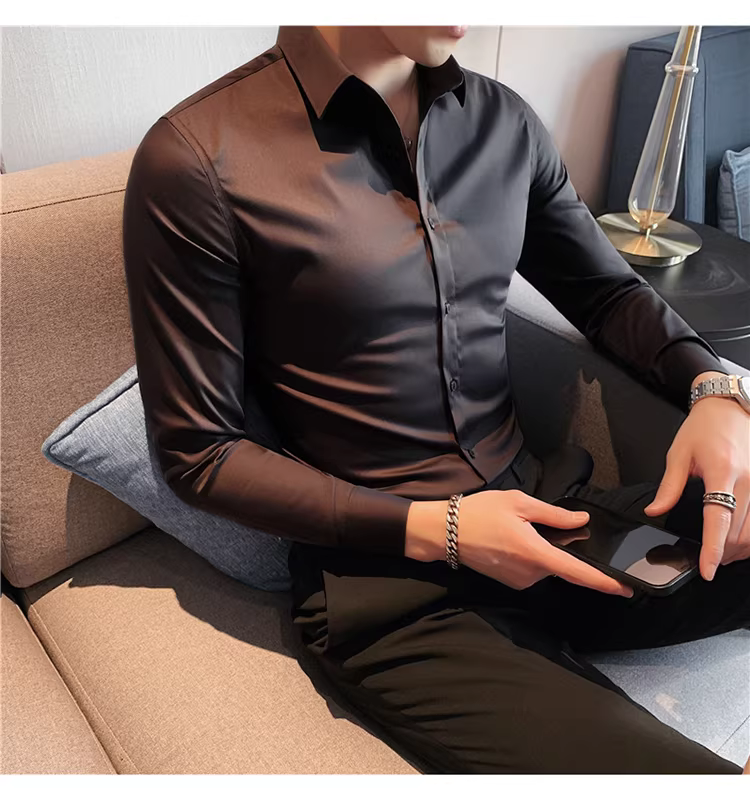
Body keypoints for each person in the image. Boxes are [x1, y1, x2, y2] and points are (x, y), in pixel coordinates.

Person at [122, 25, 750, 774]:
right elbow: (199, 453)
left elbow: (606, 292)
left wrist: (714, 389)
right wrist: (442, 528)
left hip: (553, 520)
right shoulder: (198, 158)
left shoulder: (504, 123)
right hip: (398, 599)